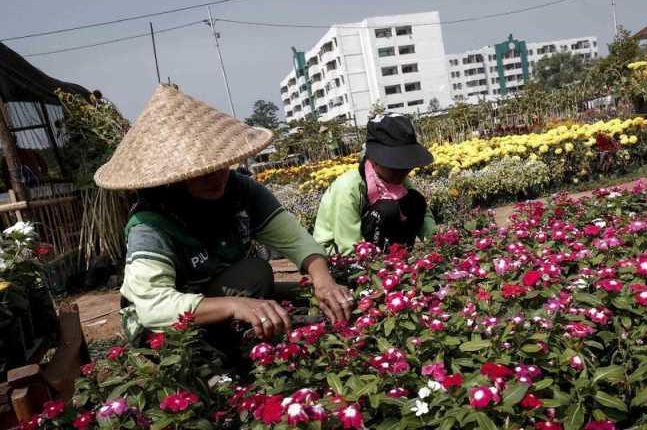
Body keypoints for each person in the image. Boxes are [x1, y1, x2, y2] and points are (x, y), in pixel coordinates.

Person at [93, 85, 352, 353]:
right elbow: (153, 307)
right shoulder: (150, 224)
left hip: (215, 288)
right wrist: (234, 306)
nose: (216, 177)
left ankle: (238, 339)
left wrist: (323, 281)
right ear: (174, 177)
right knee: (251, 291)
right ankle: (223, 362)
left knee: (280, 284)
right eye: (202, 172)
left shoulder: (241, 190)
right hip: (165, 327)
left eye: (221, 166)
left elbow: (295, 239)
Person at [314, 113, 436, 255]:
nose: (402, 171)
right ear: (374, 159)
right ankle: (383, 262)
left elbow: (423, 214)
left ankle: (399, 255)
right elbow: (347, 243)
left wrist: (438, 241)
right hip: (337, 251)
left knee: (415, 201)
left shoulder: (398, 178)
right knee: (387, 209)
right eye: (395, 165)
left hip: (375, 243)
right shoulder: (349, 186)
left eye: (406, 164)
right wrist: (370, 267)